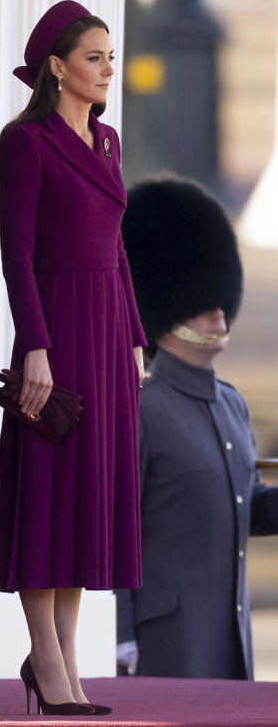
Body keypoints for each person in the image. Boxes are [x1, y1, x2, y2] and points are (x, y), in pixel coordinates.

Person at [0, 1, 146, 717]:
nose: (108, 68)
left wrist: (134, 339)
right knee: (48, 496)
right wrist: (36, 346)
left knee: (83, 505)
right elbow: (14, 255)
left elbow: (117, 252)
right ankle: (45, 663)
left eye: (110, 56)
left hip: (107, 333)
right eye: (94, 57)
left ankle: (65, 666)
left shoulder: (105, 142)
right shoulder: (25, 143)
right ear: (56, 66)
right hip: (56, 330)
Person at [116, 175, 278, 679]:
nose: (217, 312)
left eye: (218, 299)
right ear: (165, 308)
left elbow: (245, 509)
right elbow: (118, 530)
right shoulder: (142, 408)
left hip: (230, 635)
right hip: (166, 638)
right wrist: (120, 635)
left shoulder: (231, 404)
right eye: (200, 302)